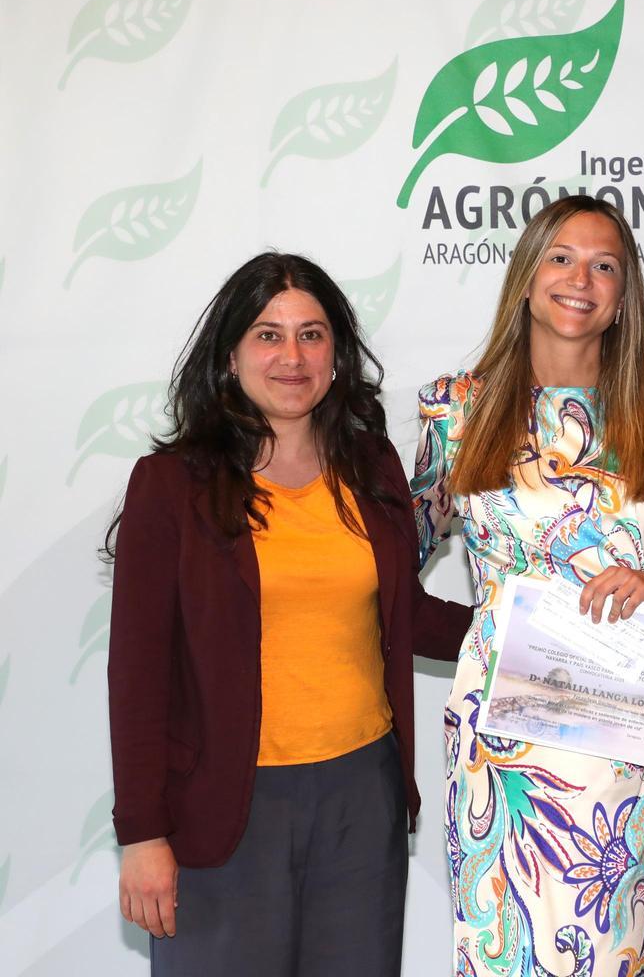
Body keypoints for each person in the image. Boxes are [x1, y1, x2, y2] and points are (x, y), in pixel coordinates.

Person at [106, 252, 472, 975]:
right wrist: (143, 835)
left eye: (312, 334)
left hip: (361, 801)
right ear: (231, 353)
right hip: (224, 809)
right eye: (268, 335)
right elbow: (138, 674)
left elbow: (406, 617)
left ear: (337, 353)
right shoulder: (171, 485)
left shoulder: (372, 467)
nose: (292, 356)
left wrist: (541, 629)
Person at [411, 195, 644, 976]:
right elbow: (391, 557)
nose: (579, 278)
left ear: (623, 297)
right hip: (505, 758)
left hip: (637, 752)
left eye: (604, 265)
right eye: (560, 257)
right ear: (526, 277)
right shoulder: (457, 410)